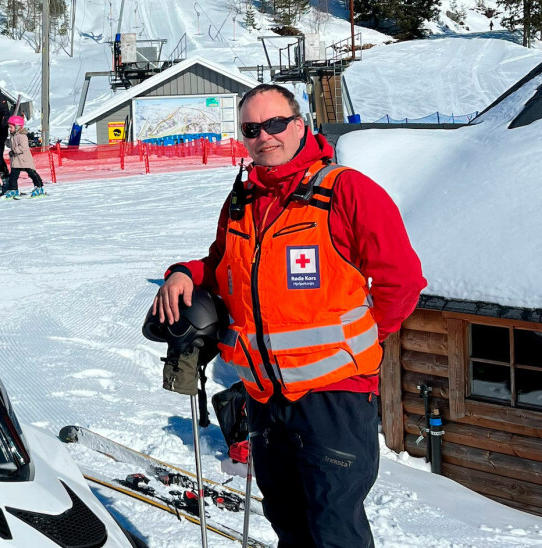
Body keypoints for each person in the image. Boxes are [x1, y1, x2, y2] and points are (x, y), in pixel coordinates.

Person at [152, 84, 426, 548]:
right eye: (252, 128)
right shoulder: (243, 200)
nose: (265, 136)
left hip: (333, 397)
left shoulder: (346, 190)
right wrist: (183, 273)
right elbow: (221, 267)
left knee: (334, 528)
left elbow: (402, 280)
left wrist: (362, 341)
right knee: (287, 522)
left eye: (276, 124)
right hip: (264, 396)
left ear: (300, 125)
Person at [4, 115, 44, 199]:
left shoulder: (22, 136)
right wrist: (4, 141)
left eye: (11, 127)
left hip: (24, 160)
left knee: (32, 173)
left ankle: (39, 187)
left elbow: (23, 147)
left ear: (17, 127)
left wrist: (14, 151)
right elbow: (10, 145)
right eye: (9, 127)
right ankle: (13, 189)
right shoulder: (12, 136)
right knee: (13, 176)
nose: (10, 129)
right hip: (16, 161)